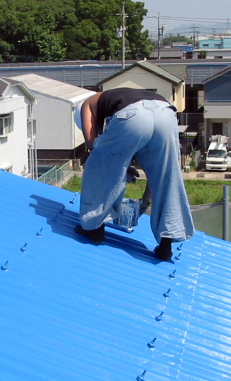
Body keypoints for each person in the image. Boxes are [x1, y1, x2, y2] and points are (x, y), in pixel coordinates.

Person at [74, 88, 195, 261]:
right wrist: (145, 202)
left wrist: (118, 167)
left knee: (98, 163)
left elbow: (95, 147)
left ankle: (93, 228)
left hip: (133, 116)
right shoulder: (120, 98)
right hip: (166, 115)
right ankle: (166, 243)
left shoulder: (87, 105)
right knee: (167, 174)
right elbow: (155, 172)